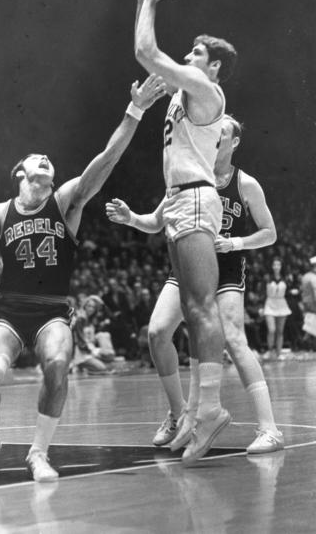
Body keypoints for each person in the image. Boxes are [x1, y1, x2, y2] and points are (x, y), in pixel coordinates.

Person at [0, 75, 166, 482]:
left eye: (48, 162)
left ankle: (39, 453)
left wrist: (136, 110)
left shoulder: (65, 201)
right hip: (8, 311)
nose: (43, 158)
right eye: (35, 158)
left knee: (58, 365)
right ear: (20, 173)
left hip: (52, 312)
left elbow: (108, 157)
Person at [106, 114, 284, 455]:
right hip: (188, 266)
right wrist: (131, 218)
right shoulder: (188, 178)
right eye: (213, 132)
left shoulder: (245, 184)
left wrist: (234, 243)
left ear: (234, 143)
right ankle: (178, 413)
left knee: (234, 337)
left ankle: (270, 429)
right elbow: (155, 222)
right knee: (157, 332)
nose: (216, 138)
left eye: (224, 134)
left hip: (227, 267)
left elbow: (269, 233)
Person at [134, 0, 238, 463]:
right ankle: (195, 412)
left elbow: (145, 50)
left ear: (213, 67)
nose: (187, 54)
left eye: (196, 52)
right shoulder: (182, 91)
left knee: (200, 308)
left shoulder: (205, 90)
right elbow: (146, 55)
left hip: (196, 198)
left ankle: (212, 409)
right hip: (178, 202)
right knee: (186, 316)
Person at [263, 258, 292, 360]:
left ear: (281, 266)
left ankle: (279, 353)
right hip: (270, 303)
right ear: (271, 266)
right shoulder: (267, 278)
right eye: (274, 264)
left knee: (280, 331)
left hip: (281, 304)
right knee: (271, 330)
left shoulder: (286, 278)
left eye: (278, 265)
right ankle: (270, 351)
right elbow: (262, 292)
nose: (276, 267)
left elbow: (289, 292)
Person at [300, 257, 316, 346]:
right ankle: (304, 343)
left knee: (311, 326)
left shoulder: (305, 276)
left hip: (306, 303)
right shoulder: (313, 277)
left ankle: (304, 343)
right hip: (313, 305)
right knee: (311, 326)